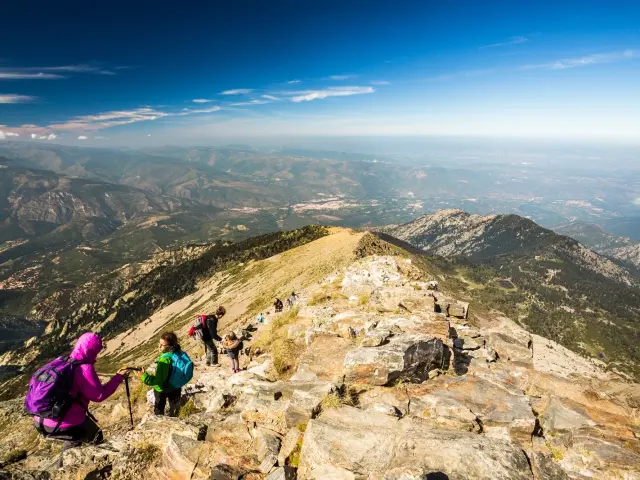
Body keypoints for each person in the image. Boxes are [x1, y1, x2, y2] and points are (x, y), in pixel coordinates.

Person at [30, 332, 128, 468]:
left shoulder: (60, 361)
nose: (97, 356)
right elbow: (99, 396)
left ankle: (63, 469)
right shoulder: (84, 368)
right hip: (60, 422)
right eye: (97, 351)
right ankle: (93, 468)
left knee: (75, 437)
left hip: (40, 418)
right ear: (92, 351)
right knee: (95, 435)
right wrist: (118, 378)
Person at [140, 332, 184, 416]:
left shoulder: (165, 360)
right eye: (159, 343)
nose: (159, 346)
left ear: (170, 346)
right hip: (175, 386)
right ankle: (175, 418)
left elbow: (158, 380)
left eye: (162, 345)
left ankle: (160, 423)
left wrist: (143, 375)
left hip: (162, 389)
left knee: (159, 409)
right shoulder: (178, 353)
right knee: (174, 409)